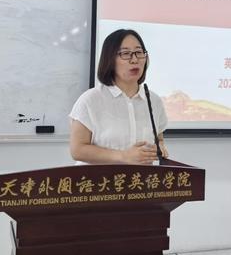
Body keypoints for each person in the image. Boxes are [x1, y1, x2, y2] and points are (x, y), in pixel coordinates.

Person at [69, 29, 169, 164]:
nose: (134, 60)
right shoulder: (91, 100)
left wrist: (160, 147)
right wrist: (123, 156)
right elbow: (77, 150)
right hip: (99, 177)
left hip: (140, 177)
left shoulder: (154, 101)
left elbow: (159, 139)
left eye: (139, 52)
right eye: (126, 54)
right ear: (110, 59)